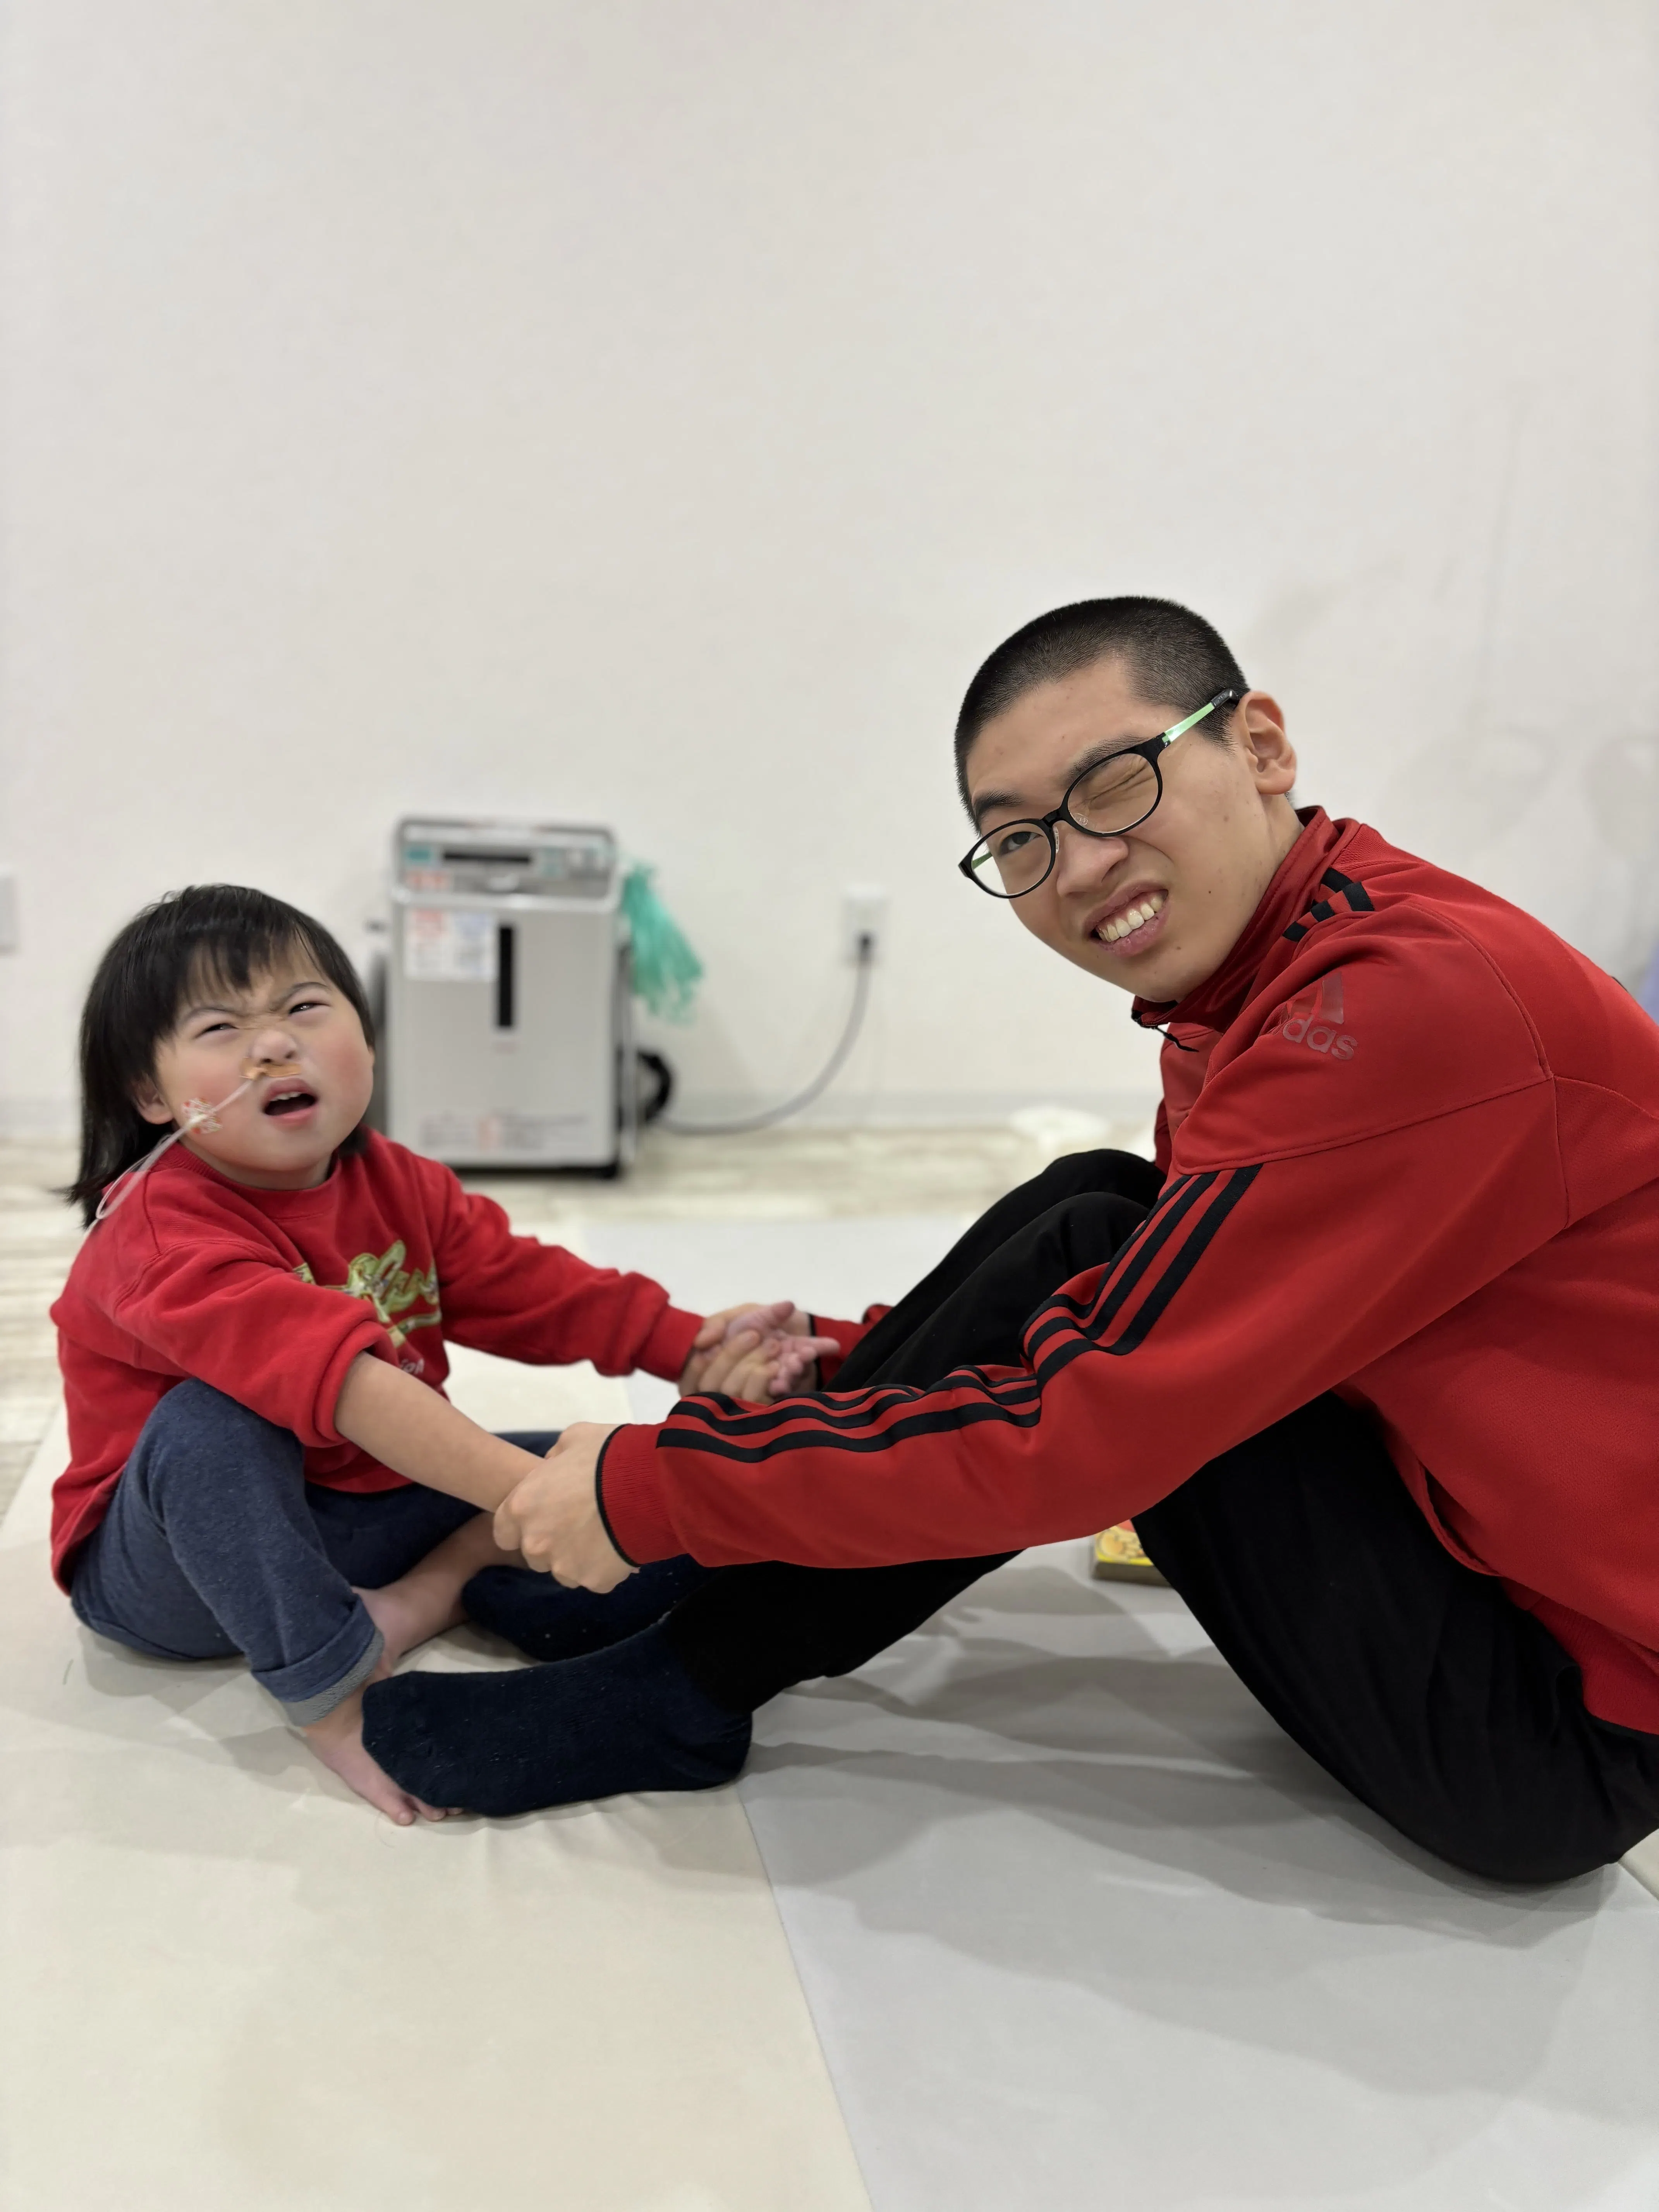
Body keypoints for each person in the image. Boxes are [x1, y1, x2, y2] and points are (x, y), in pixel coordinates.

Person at [364, 594, 1659, 1887]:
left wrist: (662, 1486)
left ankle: (685, 1675)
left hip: (1561, 1729)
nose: (1079, 865)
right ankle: (704, 1587)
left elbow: (1085, 1431)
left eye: (1114, 783)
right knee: (1096, 1208)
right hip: (1459, 1548)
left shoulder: (1397, 1008)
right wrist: (845, 1362)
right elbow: (1173, 1280)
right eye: (1020, 839)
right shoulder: (1271, 971)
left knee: (1109, 1303)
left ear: (1260, 744)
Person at [52, 884, 840, 1823]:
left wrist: (694, 1348)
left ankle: (425, 1598)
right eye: (221, 1028)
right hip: (180, 1572)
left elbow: (531, 1287)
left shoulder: (396, 1179)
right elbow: (350, 1389)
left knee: (614, 1462)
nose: (274, 1046)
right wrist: (547, 1502)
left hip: (356, 1503)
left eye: (304, 1007)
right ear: (150, 1095)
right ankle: (338, 1691)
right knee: (213, 1423)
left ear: (368, 1037)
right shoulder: (158, 1227)